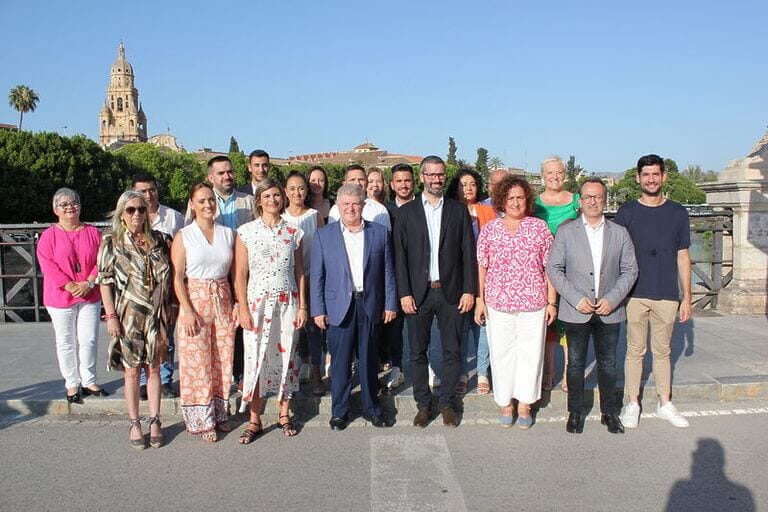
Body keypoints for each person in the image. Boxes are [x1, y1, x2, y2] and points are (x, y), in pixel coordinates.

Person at [547, 178, 638, 434]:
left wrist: (614, 298)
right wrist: (575, 298)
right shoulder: (567, 231)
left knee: (608, 365)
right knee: (575, 365)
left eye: (598, 196)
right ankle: (575, 412)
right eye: (588, 197)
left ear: (605, 199)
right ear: (581, 200)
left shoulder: (619, 232)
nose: (593, 201)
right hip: (577, 310)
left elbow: (630, 270)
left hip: (610, 310)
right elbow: (554, 267)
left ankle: (609, 413)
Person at [393, 155, 477, 428]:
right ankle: (423, 404)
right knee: (418, 352)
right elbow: (400, 257)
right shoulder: (406, 213)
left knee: (453, 351)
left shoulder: (457, 210)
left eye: (440, 174)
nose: (436, 179)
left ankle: (448, 403)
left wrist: (469, 290)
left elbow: (468, 252)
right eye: (430, 174)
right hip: (418, 294)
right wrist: (404, 293)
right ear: (422, 177)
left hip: (451, 292)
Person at [310, 184, 398, 430]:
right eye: (345, 204)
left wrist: (390, 303)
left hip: (370, 305)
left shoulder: (379, 233)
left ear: (363, 205)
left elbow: (388, 272)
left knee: (370, 360)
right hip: (339, 307)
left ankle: (372, 408)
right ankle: (340, 411)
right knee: (339, 363)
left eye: (355, 204)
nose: (350, 208)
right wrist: (318, 309)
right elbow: (317, 275)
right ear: (338, 206)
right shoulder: (324, 235)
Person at [615, 154, 693, 429]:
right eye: (646, 174)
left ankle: (664, 402)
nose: (651, 179)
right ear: (638, 177)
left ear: (664, 177)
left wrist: (687, 298)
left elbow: (683, 256)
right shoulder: (626, 213)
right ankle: (632, 402)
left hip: (667, 293)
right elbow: (617, 255)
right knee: (635, 350)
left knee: (663, 351)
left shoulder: (677, 212)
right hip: (635, 292)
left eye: (655, 174)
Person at [474, 175, 555, 429]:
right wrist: (480, 300)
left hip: (533, 303)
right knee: (502, 354)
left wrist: (552, 302)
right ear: (501, 200)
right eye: (511, 198)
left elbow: (549, 268)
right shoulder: (490, 229)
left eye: (520, 197)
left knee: (530, 354)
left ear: (527, 200)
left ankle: (525, 404)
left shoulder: (539, 228)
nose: (516, 202)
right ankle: (506, 403)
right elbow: (482, 266)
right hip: (498, 303)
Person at [97, 191, 173, 449]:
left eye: (141, 209)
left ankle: (155, 420)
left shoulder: (161, 240)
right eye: (130, 210)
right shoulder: (111, 241)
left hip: (156, 315)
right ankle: (134, 422)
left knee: (154, 369)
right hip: (128, 315)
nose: (137, 214)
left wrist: (170, 312)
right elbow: (105, 282)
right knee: (131, 372)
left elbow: (172, 280)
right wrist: (111, 316)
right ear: (121, 213)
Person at [234, 178, 307, 443]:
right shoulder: (246, 232)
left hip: (287, 304)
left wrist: (303, 306)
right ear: (259, 201)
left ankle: (284, 413)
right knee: (255, 359)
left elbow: (299, 272)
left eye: (277, 195)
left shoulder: (294, 232)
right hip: (256, 305)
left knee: (287, 359)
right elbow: (240, 274)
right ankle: (254, 419)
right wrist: (242, 307)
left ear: (283, 198)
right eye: (267, 196)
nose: (273, 200)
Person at [171, 183, 236, 443]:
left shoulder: (228, 234)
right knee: (197, 363)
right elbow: (176, 277)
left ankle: (219, 413)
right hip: (195, 300)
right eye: (202, 201)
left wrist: (237, 303)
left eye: (211, 200)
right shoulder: (184, 235)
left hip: (222, 298)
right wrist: (186, 310)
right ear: (192, 204)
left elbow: (234, 273)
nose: (208, 205)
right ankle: (201, 419)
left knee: (222, 359)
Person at [37, 188, 108, 403]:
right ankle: (71, 383)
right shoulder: (49, 236)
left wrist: (89, 282)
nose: (70, 207)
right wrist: (69, 285)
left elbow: (102, 259)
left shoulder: (93, 233)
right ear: (55, 209)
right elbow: (47, 264)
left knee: (88, 339)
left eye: (74, 203)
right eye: (64, 204)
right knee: (66, 340)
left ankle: (88, 379)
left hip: (89, 292)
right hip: (60, 297)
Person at [204, 155, 255, 388]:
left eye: (230, 172)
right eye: (221, 173)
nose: (227, 176)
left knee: (244, 321)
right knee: (221, 327)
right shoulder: (202, 201)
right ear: (210, 177)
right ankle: (222, 376)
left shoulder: (249, 201)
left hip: (246, 271)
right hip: (214, 274)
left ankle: (244, 373)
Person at [133, 173, 184, 399]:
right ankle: (144, 381)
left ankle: (164, 380)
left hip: (166, 285)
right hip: (139, 289)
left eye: (151, 189)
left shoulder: (173, 217)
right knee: (142, 336)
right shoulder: (131, 217)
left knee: (166, 336)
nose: (148, 195)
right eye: (142, 191)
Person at [446, 168, 496, 395]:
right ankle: (463, 372)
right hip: (456, 277)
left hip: (483, 275)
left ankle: (482, 371)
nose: (468, 188)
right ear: (455, 187)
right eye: (463, 184)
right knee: (459, 327)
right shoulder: (448, 210)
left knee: (482, 325)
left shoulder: (488, 211)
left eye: (473, 184)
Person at [533, 156, 581, 392]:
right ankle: (549, 370)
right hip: (541, 270)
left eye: (559, 172)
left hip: (572, 269)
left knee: (570, 322)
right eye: (550, 172)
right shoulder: (534, 203)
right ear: (542, 175)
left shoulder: (576, 201)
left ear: (565, 174)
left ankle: (569, 371)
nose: (554, 176)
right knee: (548, 323)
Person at [282, 171, 325, 396]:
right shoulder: (280, 217)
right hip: (288, 281)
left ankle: (317, 373)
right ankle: (293, 373)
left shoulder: (315, 216)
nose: (297, 192)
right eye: (292, 188)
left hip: (312, 277)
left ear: (306, 191)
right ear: (285, 191)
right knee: (291, 329)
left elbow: (322, 249)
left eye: (301, 188)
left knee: (313, 328)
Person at [380, 163, 416, 390]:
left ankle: (426, 365)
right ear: (392, 184)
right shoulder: (386, 211)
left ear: (414, 182)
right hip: (393, 275)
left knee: (419, 327)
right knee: (394, 327)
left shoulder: (423, 208)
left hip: (419, 275)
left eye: (407, 180)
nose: (403, 184)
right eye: (399, 181)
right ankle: (397, 367)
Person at [328, 165, 391, 229]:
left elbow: (385, 237)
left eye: (361, 179)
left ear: (366, 182)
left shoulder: (380, 210)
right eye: (352, 179)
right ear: (344, 183)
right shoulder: (335, 209)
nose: (357, 183)